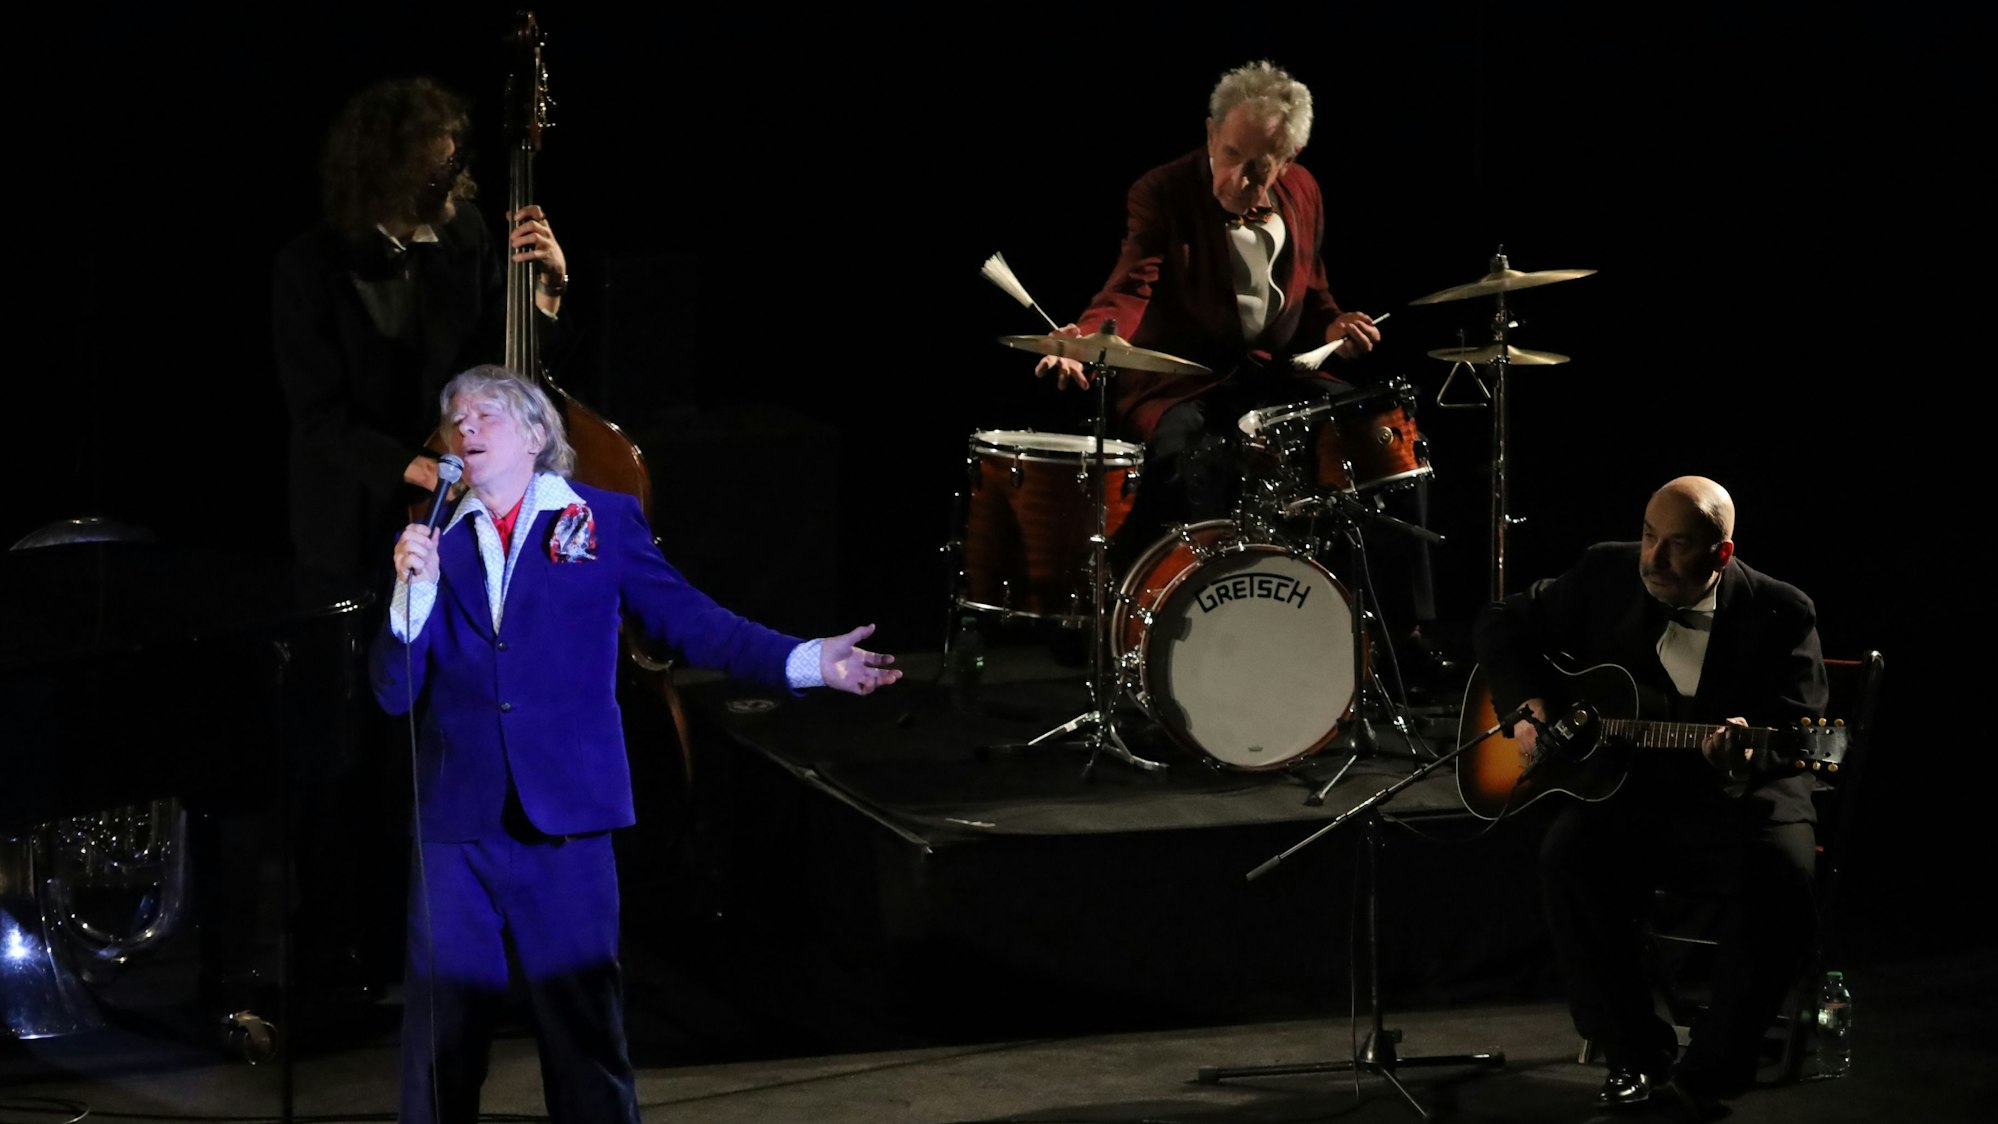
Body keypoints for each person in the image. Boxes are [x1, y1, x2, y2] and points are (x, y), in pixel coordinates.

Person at [373, 365, 902, 1124]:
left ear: (535, 434)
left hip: (569, 818)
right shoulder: (429, 543)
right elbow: (393, 691)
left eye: (487, 414)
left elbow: (694, 622)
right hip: (458, 826)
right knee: (441, 1038)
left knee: (583, 1030)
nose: (467, 429)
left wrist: (808, 660)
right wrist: (408, 597)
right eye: (456, 418)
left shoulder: (601, 520)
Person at [261, 74, 572, 1010]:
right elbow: (318, 423)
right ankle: (332, 965)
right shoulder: (308, 268)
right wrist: (424, 468)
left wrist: (542, 298)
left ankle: (441, 957)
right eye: (435, 168)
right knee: (349, 750)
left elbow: (501, 372)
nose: (455, 183)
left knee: (451, 746)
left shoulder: (469, 241)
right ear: (385, 170)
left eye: (456, 164)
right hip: (353, 529)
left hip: (453, 527)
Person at [1030, 59, 1439, 666]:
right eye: (1229, 154)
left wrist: (1333, 322)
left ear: (1290, 157)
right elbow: (1130, 286)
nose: (1240, 177)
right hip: (1179, 380)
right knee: (1183, 458)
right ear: (1209, 133)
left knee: (1387, 435)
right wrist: (1085, 337)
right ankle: (1162, 640)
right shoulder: (1162, 191)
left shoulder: (1305, 192)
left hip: (1266, 372)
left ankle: (1402, 637)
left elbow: (1312, 285)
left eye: (1260, 165)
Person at [1471, 475, 1826, 1113]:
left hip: (1739, 800)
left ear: (1720, 553)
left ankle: (1712, 1071)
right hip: (1636, 791)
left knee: (1783, 873)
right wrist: (1527, 707)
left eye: (1676, 545)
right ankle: (1633, 1053)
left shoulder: (1783, 610)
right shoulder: (1607, 572)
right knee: (1569, 858)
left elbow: (1801, 729)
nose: (1652, 559)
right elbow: (1502, 621)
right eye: (1647, 536)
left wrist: (1741, 752)